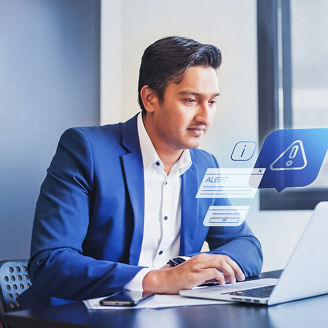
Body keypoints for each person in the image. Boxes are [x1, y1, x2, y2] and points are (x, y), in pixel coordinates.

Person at [19, 36, 262, 307]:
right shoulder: (86, 150)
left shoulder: (205, 165)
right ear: (150, 98)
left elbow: (247, 246)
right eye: (191, 100)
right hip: (78, 316)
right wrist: (157, 280)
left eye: (212, 102)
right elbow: (51, 262)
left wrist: (181, 267)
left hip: (164, 315)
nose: (205, 117)